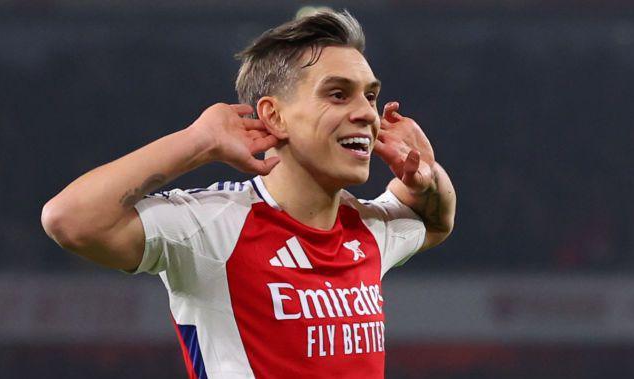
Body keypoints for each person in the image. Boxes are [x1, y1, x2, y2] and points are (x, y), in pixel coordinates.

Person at [41, 10, 456, 379]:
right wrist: (197, 142)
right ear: (273, 116)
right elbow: (70, 219)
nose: (367, 113)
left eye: (370, 95)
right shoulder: (214, 226)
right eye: (337, 94)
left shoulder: (368, 230)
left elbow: (436, 219)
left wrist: (427, 173)